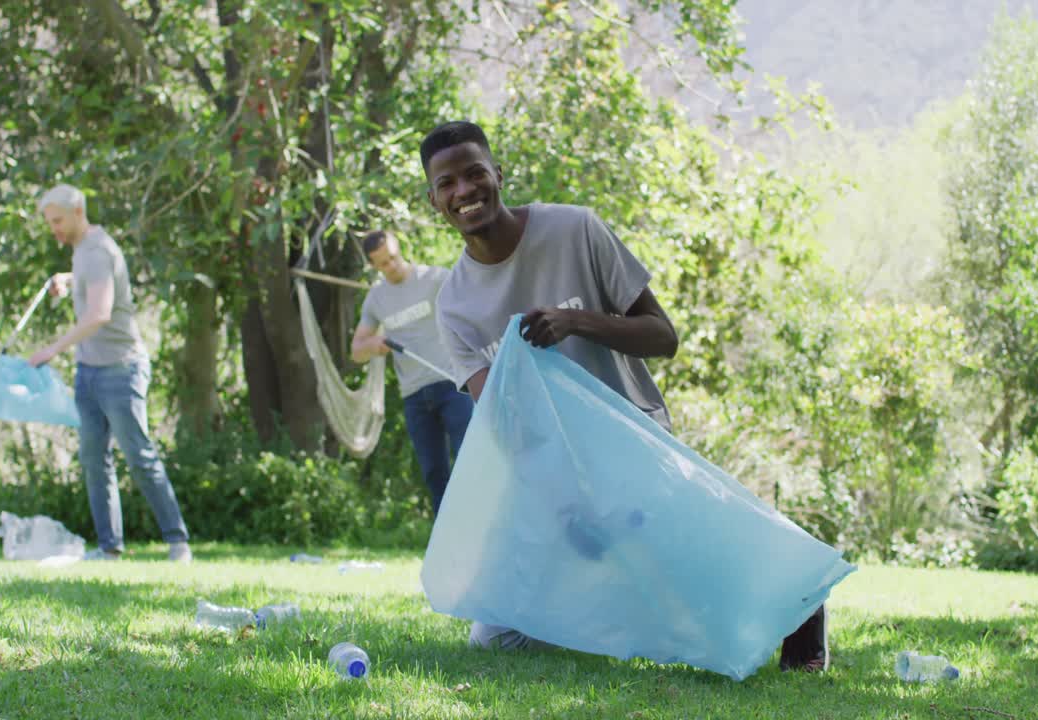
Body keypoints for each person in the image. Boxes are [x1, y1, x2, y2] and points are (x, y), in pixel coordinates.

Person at [420, 121, 830, 671]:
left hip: (636, 451)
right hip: (557, 482)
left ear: (498, 174)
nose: (464, 191)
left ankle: (799, 595)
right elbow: (502, 420)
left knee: (695, 580)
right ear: (434, 201)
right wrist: (560, 507)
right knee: (497, 639)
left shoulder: (575, 230)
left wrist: (577, 322)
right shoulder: (454, 304)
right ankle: (606, 599)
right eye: (447, 183)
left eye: (475, 173)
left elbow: (664, 337)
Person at [30, 184, 191, 563]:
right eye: (49, 222)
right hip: (89, 371)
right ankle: (109, 548)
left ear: (78, 211)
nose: (53, 228)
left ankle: (177, 541)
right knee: (93, 459)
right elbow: (91, 283)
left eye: (57, 221)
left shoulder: (99, 250)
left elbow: (99, 313)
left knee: (139, 456)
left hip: (121, 369)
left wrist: (52, 349)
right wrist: (68, 280)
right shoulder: (82, 250)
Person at [350, 230, 474, 515]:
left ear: (399, 248)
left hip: (452, 385)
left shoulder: (435, 279)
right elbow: (357, 351)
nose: (390, 266)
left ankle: (486, 529)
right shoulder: (376, 299)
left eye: (393, 258)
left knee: (471, 460)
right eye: (382, 264)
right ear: (374, 265)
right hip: (415, 397)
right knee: (433, 472)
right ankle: (447, 540)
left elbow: (470, 313)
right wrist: (375, 343)